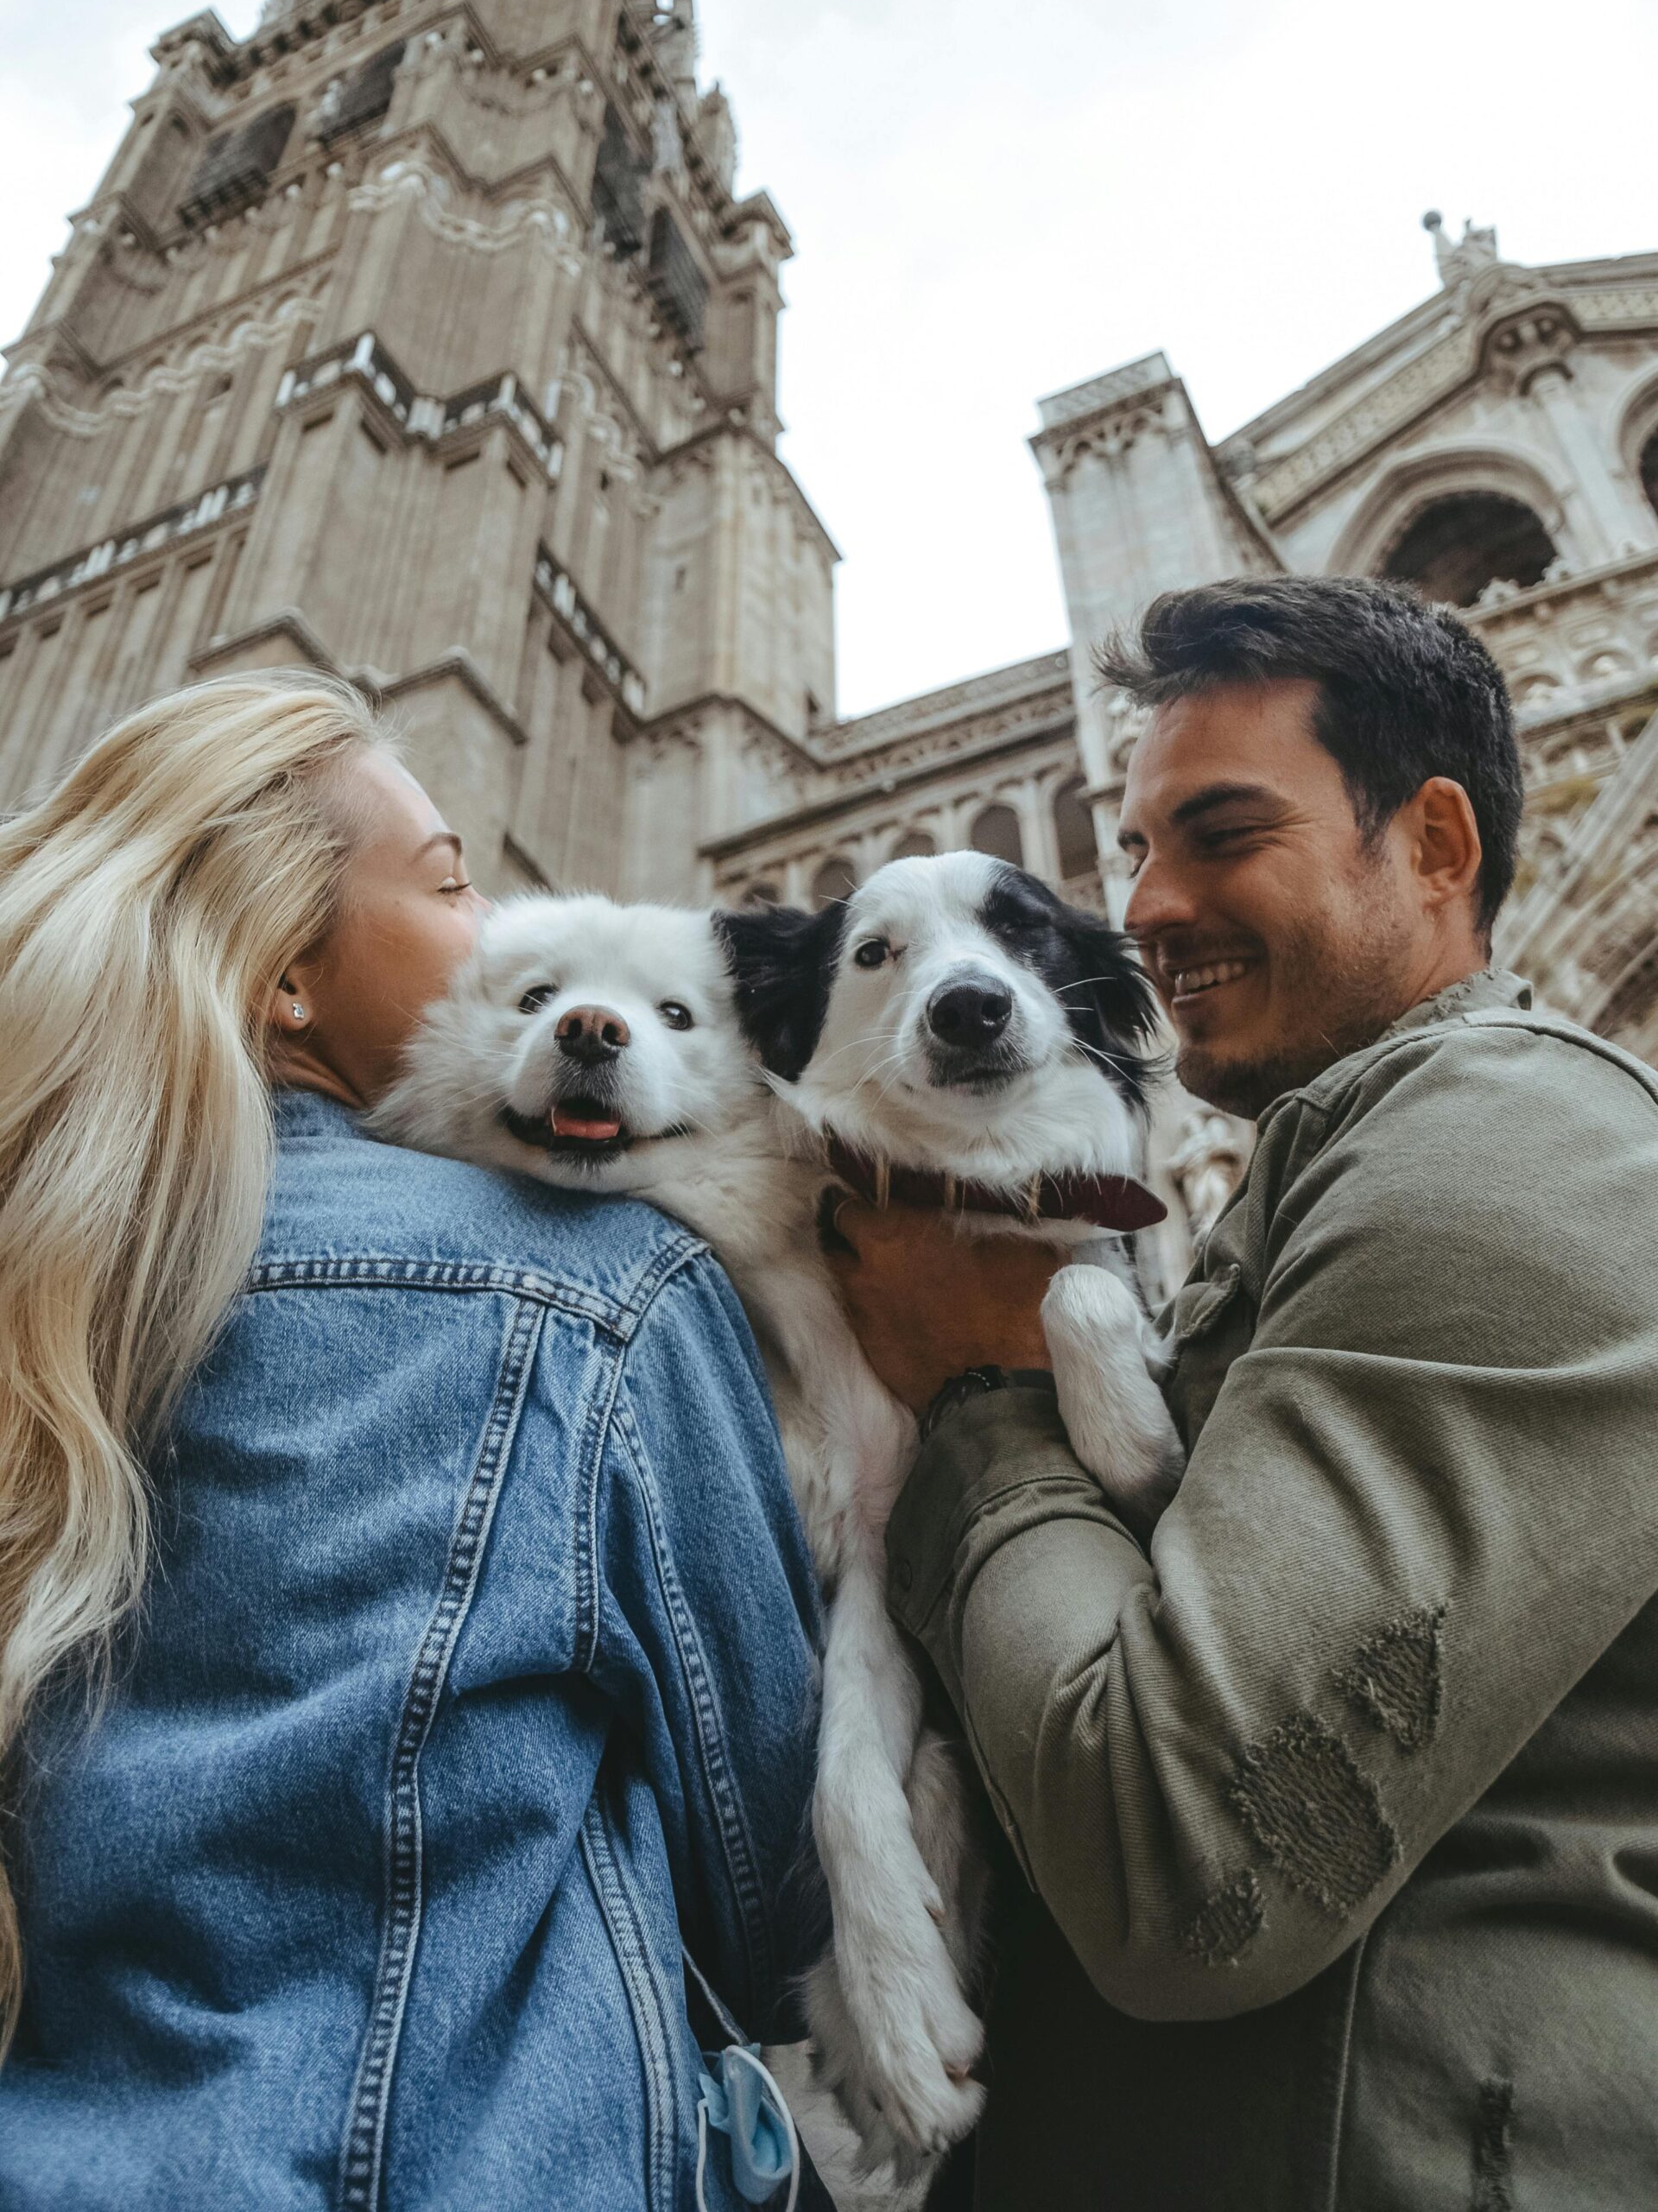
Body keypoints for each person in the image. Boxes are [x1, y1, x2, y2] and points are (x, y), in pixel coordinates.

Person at [833, 578, 1658, 2212]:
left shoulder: (1508, 1148)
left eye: (1221, 834)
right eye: (1133, 848)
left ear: (1434, 844)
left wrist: (984, 1382)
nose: (1143, 908)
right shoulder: (1332, 1169)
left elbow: (1188, 1853)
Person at [0, 674, 824, 2211]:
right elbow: (773, 1880)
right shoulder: (593, 1283)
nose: (495, 918)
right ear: (288, 978)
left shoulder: (45, 1283)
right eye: (452, 883)